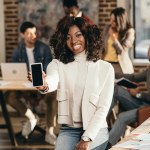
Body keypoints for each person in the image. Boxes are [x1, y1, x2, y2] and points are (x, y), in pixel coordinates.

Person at [28, 16, 114, 150]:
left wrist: (87, 138)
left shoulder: (106, 68)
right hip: (69, 130)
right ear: (63, 41)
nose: (73, 41)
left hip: (96, 129)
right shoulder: (57, 64)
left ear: (88, 36)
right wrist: (44, 84)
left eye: (78, 35)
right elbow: (52, 80)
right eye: (68, 37)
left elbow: (103, 108)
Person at [6, 21, 56, 145]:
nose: (33, 36)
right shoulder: (18, 50)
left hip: (40, 82)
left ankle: (49, 131)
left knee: (53, 96)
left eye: (34, 33)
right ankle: (32, 118)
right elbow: (15, 70)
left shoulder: (44, 48)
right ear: (23, 34)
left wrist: (41, 77)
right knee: (9, 97)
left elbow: (48, 68)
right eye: (29, 34)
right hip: (24, 84)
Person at [106, 47, 150, 149]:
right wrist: (110, 71)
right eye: (148, 51)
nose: (148, 54)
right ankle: (100, 120)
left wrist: (138, 95)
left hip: (147, 108)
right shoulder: (149, 70)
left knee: (122, 117)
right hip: (143, 103)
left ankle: (106, 145)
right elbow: (133, 77)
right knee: (116, 89)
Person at [103, 7, 134, 74]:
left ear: (121, 21)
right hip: (106, 64)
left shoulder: (129, 32)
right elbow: (102, 46)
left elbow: (122, 51)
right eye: (110, 19)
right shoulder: (107, 28)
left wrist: (113, 37)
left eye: (114, 21)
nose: (111, 22)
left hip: (120, 67)